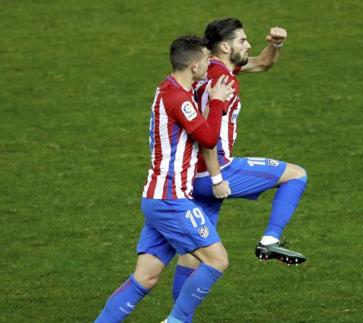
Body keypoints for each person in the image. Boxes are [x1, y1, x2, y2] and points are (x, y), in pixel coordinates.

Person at [94, 35, 235, 323]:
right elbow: (209, 138)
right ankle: (177, 321)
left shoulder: (172, 87)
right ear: (194, 65)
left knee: (144, 278)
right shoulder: (178, 98)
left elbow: (226, 72)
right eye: (208, 59)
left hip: (157, 197)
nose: (212, 64)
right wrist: (218, 103)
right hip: (172, 198)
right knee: (218, 260)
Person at [172, 18, 308, 301]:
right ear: (225, 46)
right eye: (243, 41)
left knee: (192, 257)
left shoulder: (209, 70)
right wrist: (218, 177)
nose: (249, 45)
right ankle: (269, 241)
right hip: (216, 170)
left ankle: (177, 319)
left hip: (190, 176)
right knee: (296, 175)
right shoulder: (222, 81)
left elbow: (262, 63)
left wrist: (277, 45)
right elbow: (208, 136)